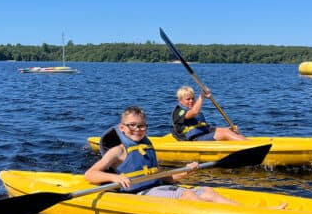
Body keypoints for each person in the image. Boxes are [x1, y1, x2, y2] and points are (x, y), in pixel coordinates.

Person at [85, 105, 239, 203]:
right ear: (122, 128)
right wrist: (115, 177)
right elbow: (90, 174)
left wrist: (186, 172)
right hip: (139, 194)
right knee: (188, 196)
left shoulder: (147, 146)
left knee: (208, 191)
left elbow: (161, 176)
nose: (138, 129)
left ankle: (241, 212)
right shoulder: (118, 151)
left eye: (142, 126)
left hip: (156, 188)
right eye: (132, 125)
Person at [172, 85, 247, 141]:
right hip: (193, 140)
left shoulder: (195, 111)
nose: (191, 101)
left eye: (192, 98)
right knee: (224, 133)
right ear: (180, 100)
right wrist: (202, 96)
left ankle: (247, 144)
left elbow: (207, 128)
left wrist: (228, 128)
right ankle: (248, 147)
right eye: (188, 99)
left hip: (202, 135)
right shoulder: (179, 112)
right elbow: (194, 112)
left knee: (227, 130)